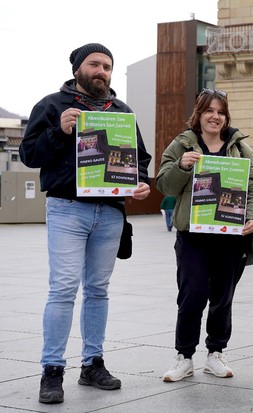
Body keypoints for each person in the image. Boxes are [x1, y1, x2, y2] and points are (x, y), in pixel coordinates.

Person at [20, 43, 152, 404]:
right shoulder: (52, 105)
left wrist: (139, 181)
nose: (102, 71)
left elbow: (139, 158)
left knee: (98, 290)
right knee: (63, 289)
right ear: (78, 68)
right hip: (67, 208)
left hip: (109, 212)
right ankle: (52, 370)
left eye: (107, 66)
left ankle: (92, 363)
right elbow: (28, 154)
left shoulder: (121, 111)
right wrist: (57, 132)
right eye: (94, 64)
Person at [156, 88, 253, 382]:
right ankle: (184, 356)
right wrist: (182, 167)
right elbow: (164, 185)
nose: (215, 117)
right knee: (192, 295)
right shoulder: (181, 145)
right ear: (199, 114)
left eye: (220, 112)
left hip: (230, 238)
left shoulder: (240, 148)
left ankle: (215, 353)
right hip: (193, 236)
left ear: (225, 116)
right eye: (209, 111)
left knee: (223, 297)